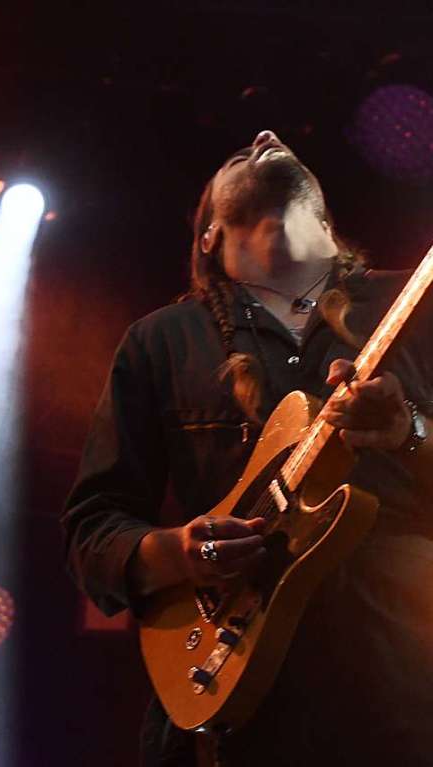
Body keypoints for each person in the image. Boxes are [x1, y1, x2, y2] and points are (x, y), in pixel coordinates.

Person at [63, 129, 433, 766]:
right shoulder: (159, 342)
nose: (262, 139)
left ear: (323, 216)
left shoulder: (419, 307)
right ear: (208, 234)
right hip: (231, 717)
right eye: (235, 154)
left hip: (402, 696)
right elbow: (93, 531)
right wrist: (182, 553)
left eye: (277, 148)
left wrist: (411, 433)